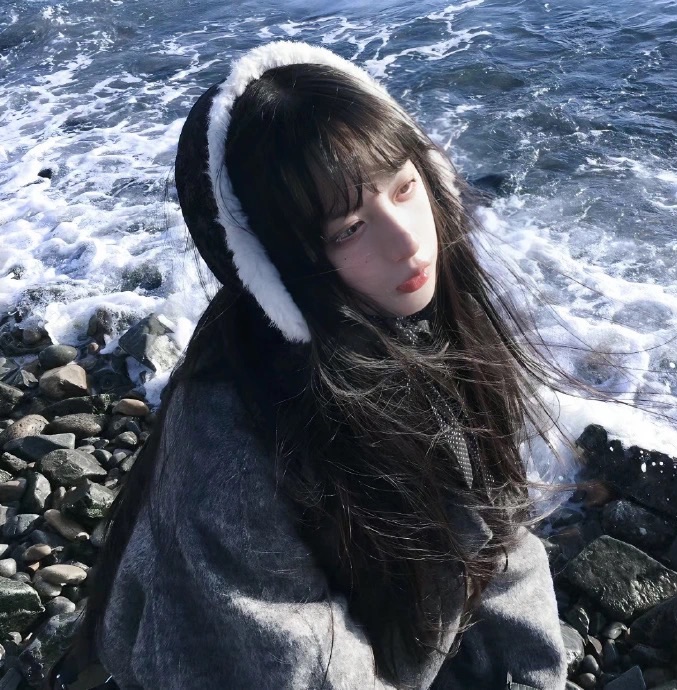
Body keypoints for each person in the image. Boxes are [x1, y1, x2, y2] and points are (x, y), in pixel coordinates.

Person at [56, 40, 570, 689]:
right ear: (273, 262)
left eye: (405, 187)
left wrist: (531, 675)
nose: (408, 241)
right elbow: (291, 667)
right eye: (349, 228)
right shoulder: (236, 440)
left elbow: (500, 534)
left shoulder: (425, 318)